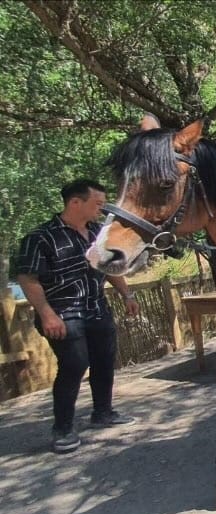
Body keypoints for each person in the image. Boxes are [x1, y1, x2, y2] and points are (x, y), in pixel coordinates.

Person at [16, 179, 140, 453]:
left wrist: (127, 295)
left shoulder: (99, 232)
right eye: (97, 204)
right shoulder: (40, 237)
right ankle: (62, 429)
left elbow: (111, 267)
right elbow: (28, 278)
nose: (101, 209)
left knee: (104, 360)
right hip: (62, 313)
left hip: (96, 308)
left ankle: (103, 413)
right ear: (75, 202)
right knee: (74, 364)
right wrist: (47, 314)